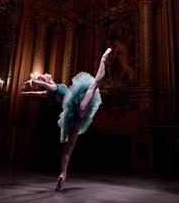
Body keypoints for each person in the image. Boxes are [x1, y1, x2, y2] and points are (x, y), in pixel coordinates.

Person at [21, 48, 112, 191]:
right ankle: (102, 60)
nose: (46, 74)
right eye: (44, 75)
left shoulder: (51, 90)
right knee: (94, 84)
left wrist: (26, 92)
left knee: (68, 149)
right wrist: (33, 81)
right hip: (78, 108)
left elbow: (38, 93)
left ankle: (63, 174)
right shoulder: (52, 86)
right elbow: (43, 86)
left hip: (75, 118)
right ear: (46, 79)